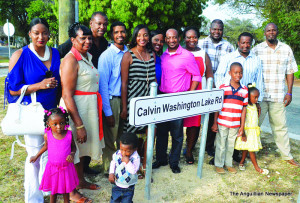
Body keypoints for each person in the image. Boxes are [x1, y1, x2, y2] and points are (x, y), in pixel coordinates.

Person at [5, 18, 60, 203]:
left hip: (53, 113)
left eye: (44, 33)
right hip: (33, 112)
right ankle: (33, 198)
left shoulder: (56, 53)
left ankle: (46, 190)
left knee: (50, 153)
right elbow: (12, 89)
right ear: (30, 33)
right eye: (36, 33)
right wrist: (39, 85)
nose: (41, 37)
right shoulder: (21, 55)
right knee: (35, 155)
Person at [60, 23, 104, 201]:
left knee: (81, 150)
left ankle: (80, 181)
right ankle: (71, 191)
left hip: (88, 108)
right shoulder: (70, 60)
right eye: (82, 38)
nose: (87, 41)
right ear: (72, 40)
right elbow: (67, 94)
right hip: (76, 111)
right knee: (72, 151)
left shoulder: (86, 56)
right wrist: (79, 124)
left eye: (89, 38)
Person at [153, 29, 201, 173]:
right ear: (166, 40)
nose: (171, 40)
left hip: (178, 98)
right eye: (168, 38)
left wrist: (189, 95)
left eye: (174, 37)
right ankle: (161, 158)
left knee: (177, 134)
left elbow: (196, 76)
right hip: (162, 96)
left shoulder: (187, 56)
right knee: (161, 132)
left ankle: (174, 162)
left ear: (179, 38)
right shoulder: (163, 56)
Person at [252, 23, 299, 167]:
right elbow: (250, 71)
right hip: (259, 97)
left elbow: (290, 71)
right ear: (264, 33)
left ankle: (286, 156)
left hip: (278, 95)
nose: (271, 32)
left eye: (273, 30)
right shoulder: (257, 50)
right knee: (254, 126)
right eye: (268, 30)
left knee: (280, 127)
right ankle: (249, 153)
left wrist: (289, 92)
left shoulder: (286, 49)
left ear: (277, 32)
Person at [198, 19, 237, 162]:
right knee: (200, 119)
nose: (216, 32)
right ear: (210, 29)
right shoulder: (201, 43)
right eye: (214, 29)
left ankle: (210, 147)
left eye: (219, 29)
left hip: (221, 88)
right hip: (203, 87)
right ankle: (194, 146)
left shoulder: (228, 47)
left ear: (223, 30)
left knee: (216, 119)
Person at [120, 24, 156, 178]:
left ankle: (145, 166)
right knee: (131, 136)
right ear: (135, 37)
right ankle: (130, 166)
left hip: (149, 101)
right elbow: (124, 83)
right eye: (139, 35)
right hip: (133, 101)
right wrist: (124, 107)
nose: (142, 38)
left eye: (146, 35)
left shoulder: (152, 54)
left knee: (149, 134)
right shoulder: (129, 55)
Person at [30, 107, 79, 203]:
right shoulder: (47, 135)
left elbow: (74, 147)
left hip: (66, 168)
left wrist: (72, 154)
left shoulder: (69, 134)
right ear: (48, 124)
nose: (59, 127)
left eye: (62, 123)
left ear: (66, 121)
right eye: (55, 124)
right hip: (53, 169)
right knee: (54, 190)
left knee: (66, 190)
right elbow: (45, 147)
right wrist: (36, 156)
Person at [98, 21, 128, 175]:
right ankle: (109, 170)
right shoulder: (106, 56)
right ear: (111, 35)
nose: (120, 35)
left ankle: (123, 167)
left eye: (122, 32)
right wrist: (107, 111)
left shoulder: (129, 53)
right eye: (116, 32)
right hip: (112, 100)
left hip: (127, 100)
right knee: (110, 138)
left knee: (124, 137)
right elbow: (103, 85)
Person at [182, 26, 214, 164]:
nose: (191, 40)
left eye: (194, 37)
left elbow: (209, 75)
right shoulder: (180, 51)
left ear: (198, 38)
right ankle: (175, 150)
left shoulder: (203, 54)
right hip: (181, 89)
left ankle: (189, 150)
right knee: (177, 124)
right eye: (188, 37)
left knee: (194, 125)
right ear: (184, 38)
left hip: (198, 92)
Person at [211, 62, 248, 174]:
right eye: (235, 72)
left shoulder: (244, 90)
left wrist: (242, 126)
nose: (238, 75)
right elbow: (218, 107)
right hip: (222, 122)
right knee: (221, 144)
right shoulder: (223, 88)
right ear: (230, 73)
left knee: (231, 145)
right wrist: (215, 123)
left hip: (235, 124)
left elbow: (244, 109)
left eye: (240, 73)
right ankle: (219, 164)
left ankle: (228, 164)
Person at [215, 32, 264, 102]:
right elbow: (218, 76)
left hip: (248, 99)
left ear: (251, 44)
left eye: (248, 43)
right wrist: (223, 93)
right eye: (243, 43)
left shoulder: (256, 60)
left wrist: (257, 100)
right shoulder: (227, 58)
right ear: (238, 43)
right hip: (229, 98)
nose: (246, 45)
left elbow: (259, 81)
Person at [235, 84, 269, 175]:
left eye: (258, 97)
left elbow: (256, 117)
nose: (257, 99)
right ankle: (257, 168)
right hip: (247, 131)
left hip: (253, 131)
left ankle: (241, 162)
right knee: (251, 150)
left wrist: (258, 107)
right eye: (255, 97)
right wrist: (243, 133)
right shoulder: (246, 107)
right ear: (248, 97)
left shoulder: (255, 106)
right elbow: (242, 120)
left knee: (246, 148)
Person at [108, 132, 140, 203]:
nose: (123, 153)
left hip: (129, 187)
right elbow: (113, 162)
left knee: (127, 201)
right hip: (116, 184)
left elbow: (133, 171)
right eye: (121, 149)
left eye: (127, 151)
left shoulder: (135, 158)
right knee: (114, 200)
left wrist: (127, 162)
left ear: (135, 149)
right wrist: (111, 173)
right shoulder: (117, 153)